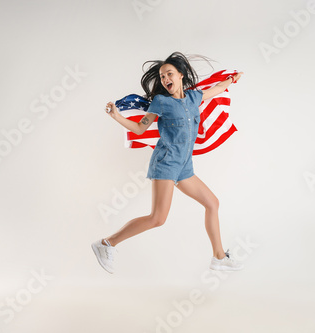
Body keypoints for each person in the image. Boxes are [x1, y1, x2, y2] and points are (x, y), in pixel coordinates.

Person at [92, 52, 244, 274]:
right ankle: (106, 244)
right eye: (162, 76)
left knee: (212, 203)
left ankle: (219, 257)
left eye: (169, 74)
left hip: (184, 166)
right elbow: (140, 128)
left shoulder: (194, 97)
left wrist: (232, 79)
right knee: (157, 218)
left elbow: (217, 89)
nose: (165, 79)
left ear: (181, 75)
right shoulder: (160, 102)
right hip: (166, 163)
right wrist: (116, 116)